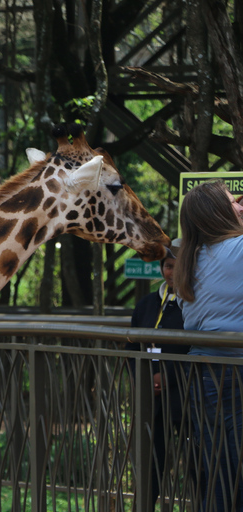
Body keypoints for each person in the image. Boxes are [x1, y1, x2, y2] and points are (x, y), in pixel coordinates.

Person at [174, 180, 243, 512]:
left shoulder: (190, 258)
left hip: (201, 375)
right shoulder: (238, 250)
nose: (241, 207)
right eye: (234, 203)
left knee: (217, 471)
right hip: (235, 373)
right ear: (217, 213)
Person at [126, 243, 187, 508]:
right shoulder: (146, 303)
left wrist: (169, 376)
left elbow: (194, 348)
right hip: (151, 398)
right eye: (168, 266)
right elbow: (131, 345)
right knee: (150, 462)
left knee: (196, 461)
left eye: (177, 267)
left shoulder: (193, 305)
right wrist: (144, 377)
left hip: (184, 397)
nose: (171, 272)